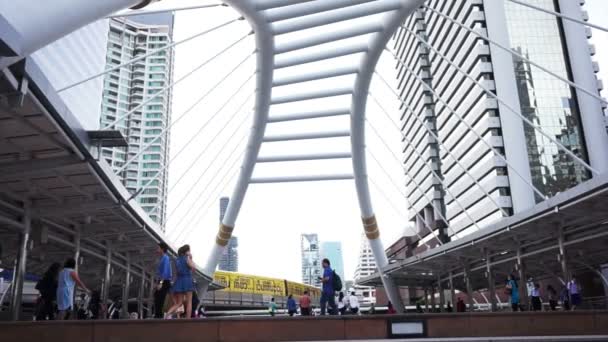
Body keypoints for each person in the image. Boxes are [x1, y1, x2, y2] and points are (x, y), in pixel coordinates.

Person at [165, 244, 195, 319]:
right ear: (186, 251)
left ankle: (167, 314)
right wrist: (191, 258)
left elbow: (177, 272)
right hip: (187, 280)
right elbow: (193, 268)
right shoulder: (187, 258)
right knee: (189, 302)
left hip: (179, 280)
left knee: (179, 303)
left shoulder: (177, 260)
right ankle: (188, 319)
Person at [154, 242, 172, 319]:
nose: (157, 249)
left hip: (164, 281)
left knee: (160, 298)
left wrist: (160, 283)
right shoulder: (162, 258)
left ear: (162, 249)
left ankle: (159, 316)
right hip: (162, 280)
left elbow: (164, 272)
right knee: (157, 296)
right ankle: (158, 315)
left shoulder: (165, 258)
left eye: (158, 248)